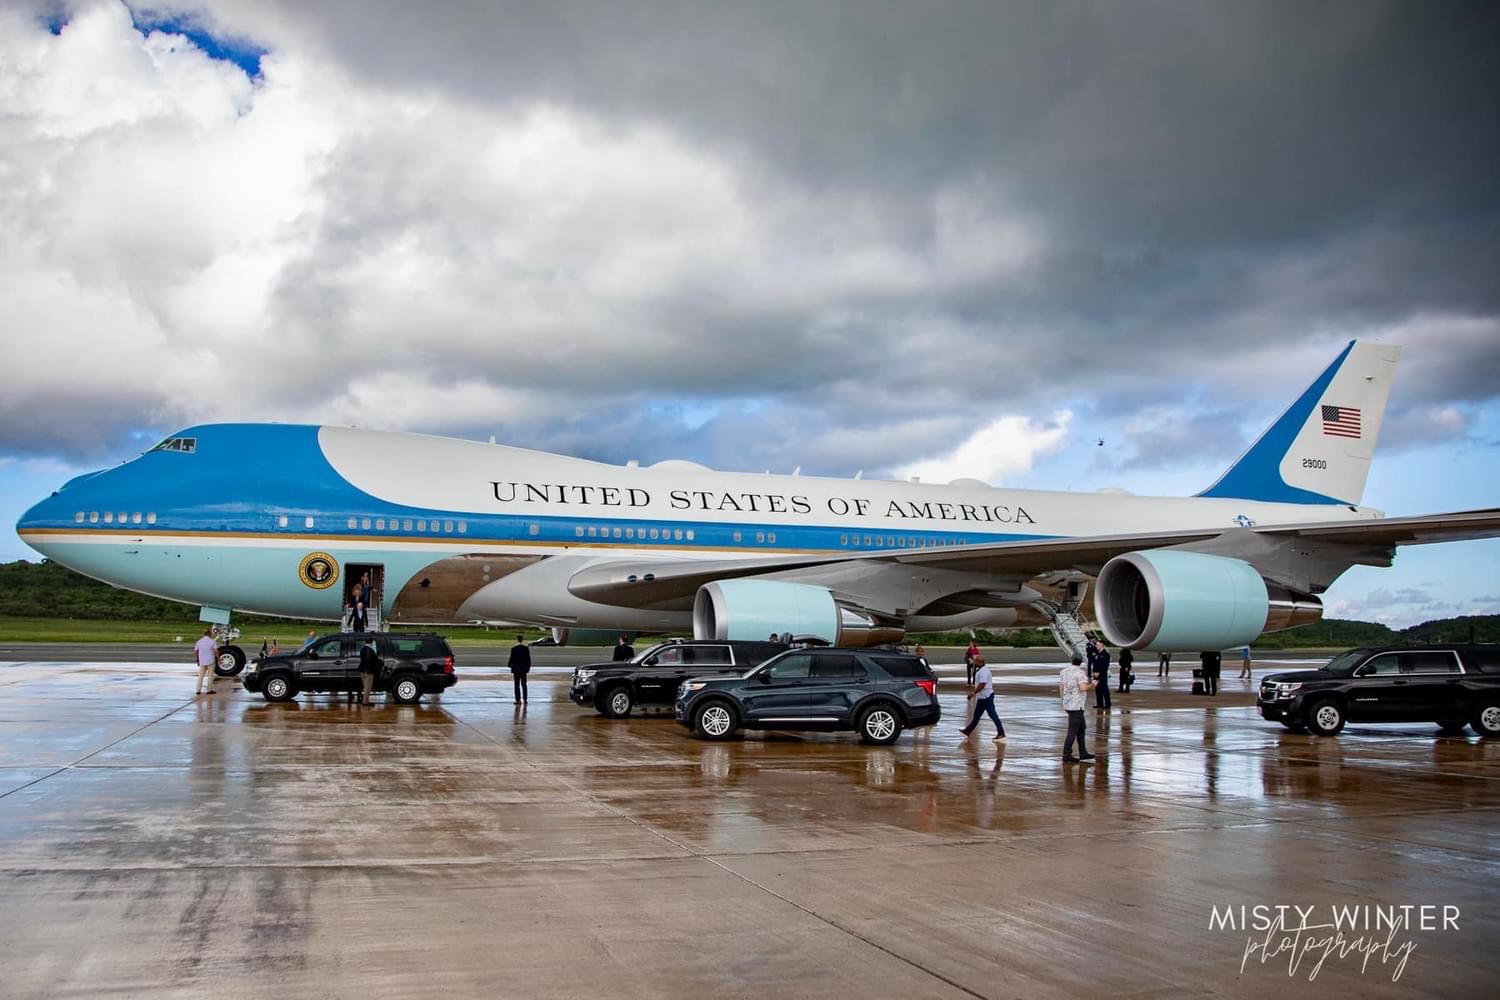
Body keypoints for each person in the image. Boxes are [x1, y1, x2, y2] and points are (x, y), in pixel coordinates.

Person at [1059, 654, 1097, 763]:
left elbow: (1061, 687)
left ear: (1071, 660)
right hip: (1077, 705)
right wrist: (1092, 684)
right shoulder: (1080, 673)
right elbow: (1083, 688)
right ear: (1080, 662)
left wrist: (1063, 700)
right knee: (1073, 730)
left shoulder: (1064, 672)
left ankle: (1083, 752)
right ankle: (1066, 754)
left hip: (1068, 703)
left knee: (1081, 728)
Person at [959, 655, 1005, 740]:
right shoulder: (981, 670)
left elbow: (982, 684)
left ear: (979, 662)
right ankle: (967, 731)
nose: (974, 662)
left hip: (986, 697)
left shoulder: (983, 671)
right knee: (976, 716)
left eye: (975, 661)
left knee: (993, 715)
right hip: (982, 698)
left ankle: (1001, 733)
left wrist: (973, 693)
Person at [193, 627, 219, 697]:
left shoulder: (199, 641)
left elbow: (196, 651)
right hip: (211, 661)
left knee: (200, 676)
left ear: (204, 634)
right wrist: (218, 659)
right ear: (210, 634)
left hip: (202, 661)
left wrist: (197, 660)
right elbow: (216, 651)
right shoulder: (212, 641)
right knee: (210, 676)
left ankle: (198, 690)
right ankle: (209, 690)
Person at [357, 638, 382, 706]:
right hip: (368, 671)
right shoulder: (370, 650)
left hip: (362, 670)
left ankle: (366, 700)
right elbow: (370, 660)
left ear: (365, 641)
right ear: (371, 642)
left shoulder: (362, 649)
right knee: (368, 687)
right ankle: (365, 701)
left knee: (365, 687)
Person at [508, 634, 531, 703]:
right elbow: (528, 659)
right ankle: (525, 699)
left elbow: (512, 659)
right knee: (524, 685)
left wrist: (510, 665)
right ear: (522, 640)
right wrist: (528, 668)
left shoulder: (514, 649)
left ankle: (518, 700)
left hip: (516, 669)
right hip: (523, 670)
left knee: (516, 685)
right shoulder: (526, 648)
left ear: (517, 640)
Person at [1092, 642, 1112, 711]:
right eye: (1096, 644)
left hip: (1102, 674)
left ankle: (1107, 704)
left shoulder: (1106, 654)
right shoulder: (1096, 653)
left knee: (1104, 689)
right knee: (1097, 689)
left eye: (1098, 644)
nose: (1096, 646)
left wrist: (1099, 673)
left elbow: (1105, 665)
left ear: (1102, 645)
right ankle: (1099, 704)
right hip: (1095, 674)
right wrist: (1094, 672)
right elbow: (1094, 664)